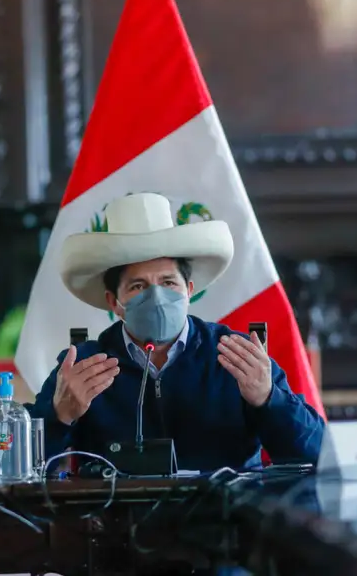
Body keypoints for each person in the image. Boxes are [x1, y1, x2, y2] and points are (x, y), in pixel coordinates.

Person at [30, 193, 326, 472]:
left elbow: (316, 453)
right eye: (138, 286)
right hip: (117, 521)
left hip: (226, 518)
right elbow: (17, 464)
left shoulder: (233, 355)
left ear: (189, 291)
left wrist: (268, 399)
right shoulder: (83, 364)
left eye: (169, 283)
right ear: (114, 303)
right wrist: (59, 416)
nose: (157, 297)